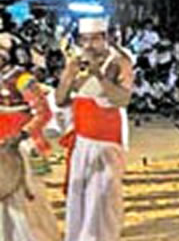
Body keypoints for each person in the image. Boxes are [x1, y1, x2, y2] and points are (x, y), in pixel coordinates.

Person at [55, 16, 134, 241]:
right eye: (84, 40)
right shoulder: (75, 62)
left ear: (106, 38)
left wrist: (98, 73)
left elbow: (122, 99)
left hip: (107, 140)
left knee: (103, 197)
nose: (89, 45)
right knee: (79, 197)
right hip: (82, 140)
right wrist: (69, 75)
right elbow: (60, 100)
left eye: (94, 39)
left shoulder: (119, 62)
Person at [0, 32, 58, 241]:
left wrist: (20, 136)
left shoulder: (24, 79)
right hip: (2, 149)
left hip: (25, 146)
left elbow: (43, 114)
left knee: (30, 200)